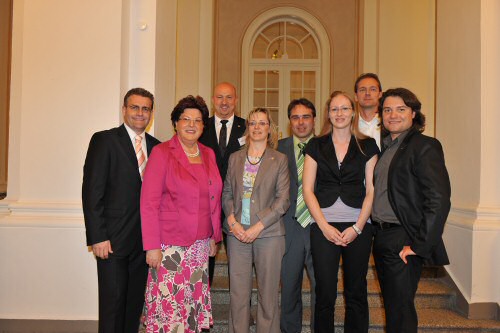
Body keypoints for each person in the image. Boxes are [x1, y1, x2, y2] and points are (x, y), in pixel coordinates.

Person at [140, 95, 223, 332]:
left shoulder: (208, 153)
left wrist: (213, 236)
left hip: (199, 246)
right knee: (169, 307)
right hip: (169, 246)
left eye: (197, 120)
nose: (191, 124)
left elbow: (213, 197)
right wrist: (152, 246)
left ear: (203, 126)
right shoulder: (162, 152)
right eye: (186, 119)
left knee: (192, 307)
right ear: (175, 122)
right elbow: (149, 203)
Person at [372, 88, 451, 333]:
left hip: (403, 237)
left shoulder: (424, 146)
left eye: (400, 109)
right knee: (394, 308)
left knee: (401, 312)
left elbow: (438, 199)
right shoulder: (388, 147)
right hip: (383, 236)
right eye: (387, 110)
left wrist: (419, 245)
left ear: (414, 113)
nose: (392, 115)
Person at [82, 87, 161, 333]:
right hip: (112, 242)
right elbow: (92, 192)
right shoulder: (104, 140)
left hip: (143, 243)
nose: (140, 113)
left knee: (134, 306)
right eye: (135, 107)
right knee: (112, 306)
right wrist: (98, 236)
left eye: (145, 108)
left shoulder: (157, 147)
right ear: (124, 109)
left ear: (151, 113)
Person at [303, 91, 379, 333]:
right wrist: (324, 226)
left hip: (358, 226)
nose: (339, 114)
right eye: (334, 109)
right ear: (328, 114)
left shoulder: (367, 144)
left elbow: (371, 190)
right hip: (324, 225)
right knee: (324, 291)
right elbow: (307, 190)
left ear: (353, 111)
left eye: (344, 108)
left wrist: (357, 227)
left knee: (355, 290)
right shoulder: (316, 144)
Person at [222, 107, 290, 333]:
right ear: (247, 128)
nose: (258, 127)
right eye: (253, 123)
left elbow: (283, 201)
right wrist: (232, 222)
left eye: (262, 123)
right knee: (238, 294)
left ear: (269, 128)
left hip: (269, 234)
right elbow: (227, 193)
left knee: (268, 295)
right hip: (237, 233)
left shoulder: (279, 159)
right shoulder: (235, 158)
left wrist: (258, 226)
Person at [199, 82, 246, 284]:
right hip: (205, 204)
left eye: (229, 97)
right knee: (204, 261)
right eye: (219, 97)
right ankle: (203, 309)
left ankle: (241, 311)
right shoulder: (200, 126)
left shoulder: (246, 127)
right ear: (213, 100)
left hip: (237, 204)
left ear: (236, 100)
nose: (224, 102)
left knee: (240, 262)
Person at [278, 98, 316, 333]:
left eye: (306, 117)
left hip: (318, 226)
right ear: (290, 120)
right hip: (288, 226)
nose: (301, 123)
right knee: (289, 286)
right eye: (295, 117)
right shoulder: (277, 148)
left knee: (321, 288)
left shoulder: (325, 146)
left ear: (313, 119)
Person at [354, 73, 383, 148]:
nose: (367, 93)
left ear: (380, 94)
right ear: (356, 96)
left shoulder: (389, 123)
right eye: (362, 90)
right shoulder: (349, 125)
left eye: (373, 89)